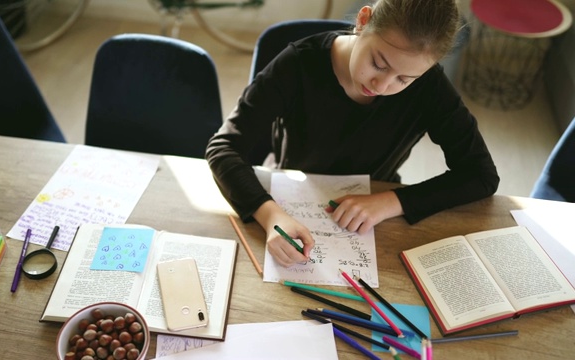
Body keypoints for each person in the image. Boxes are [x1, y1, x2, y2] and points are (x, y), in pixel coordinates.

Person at [206, 0, 499, 267]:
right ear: (363, 20)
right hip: (291, 196)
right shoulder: (298, 64)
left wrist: (391, 202)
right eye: (379, 64)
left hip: (374, 207)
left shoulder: (430, 87)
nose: (382, 85)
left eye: (404, 79)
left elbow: (480, 174)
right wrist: (270, 215)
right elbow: (223, 147)